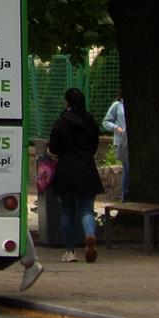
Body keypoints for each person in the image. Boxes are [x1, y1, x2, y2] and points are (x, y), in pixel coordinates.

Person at [48, 87, 104, 263]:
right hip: (87, 169)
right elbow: (95, 145)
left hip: (66, 171)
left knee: (67, 211)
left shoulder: (61, 122)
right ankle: (89, 235)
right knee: (87, 209)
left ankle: (70, 251)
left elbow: (54, 147)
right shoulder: (91, 121)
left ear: (68, 102)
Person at [102, 90, 129, 201]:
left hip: (134, 142)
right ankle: (125, 196)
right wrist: (116, 128)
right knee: (127, 168)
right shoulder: (117, 105)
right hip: (122, 142)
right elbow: (105, 122)